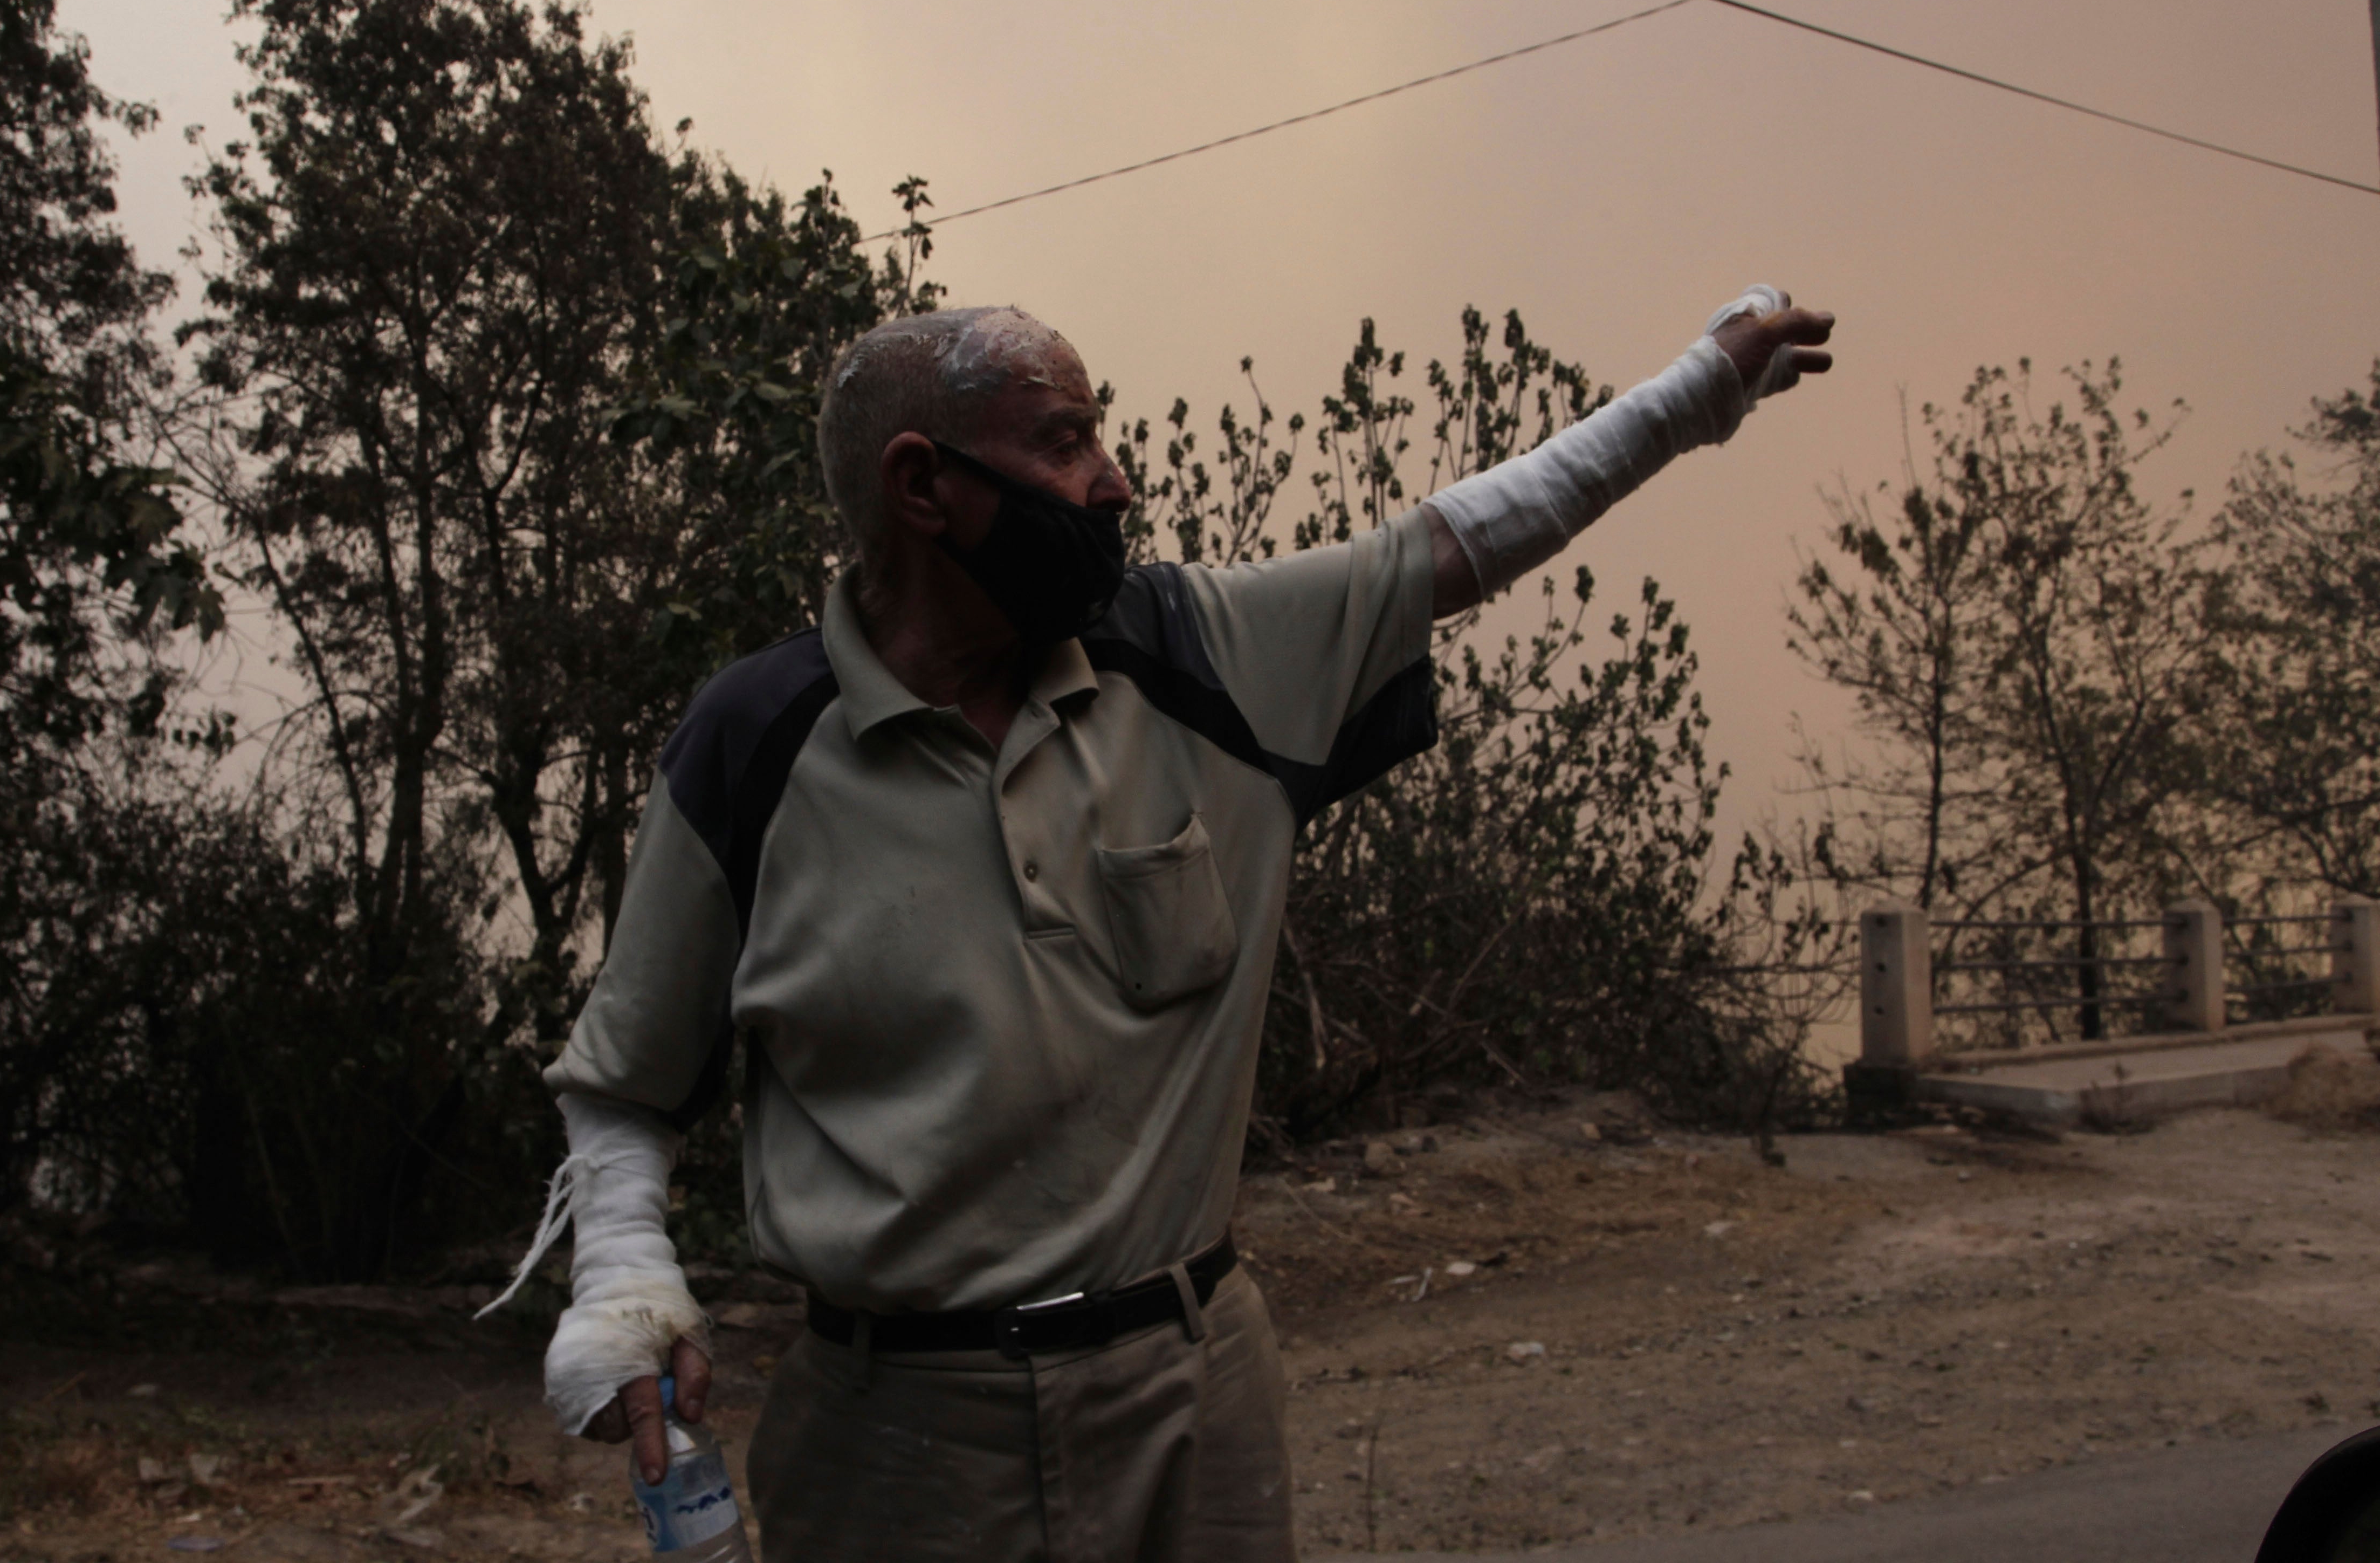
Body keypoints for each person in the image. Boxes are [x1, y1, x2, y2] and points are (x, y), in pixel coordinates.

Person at [489, 292, 1835, 1560]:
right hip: (891, 1442)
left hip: (1198, 1396)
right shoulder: (754, 745)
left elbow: (1460, 539)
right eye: (1064, 445)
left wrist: (1696, 393)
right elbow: (627, 1086)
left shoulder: (1194, 657)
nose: (1113, 482)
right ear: (922, 487)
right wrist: (622, 1276)